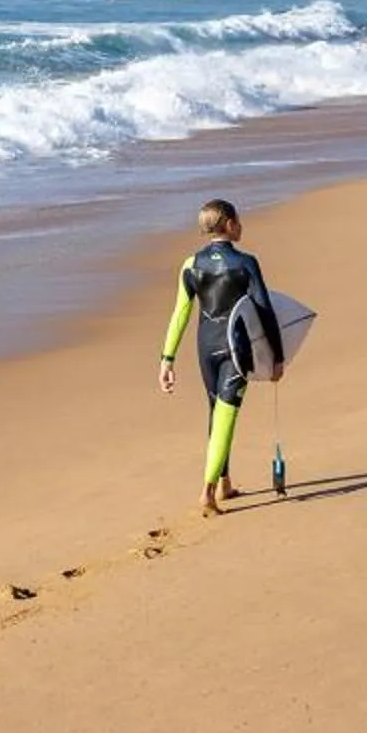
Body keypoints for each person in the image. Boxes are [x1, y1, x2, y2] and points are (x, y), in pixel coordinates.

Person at [157, 197, 285, 514]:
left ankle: (225, 483)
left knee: (216, 410)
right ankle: (207, 491)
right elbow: (265, 310)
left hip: (205, 347)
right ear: (229, 224)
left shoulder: (190, 265)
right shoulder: (245, 263)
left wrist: (167, 359)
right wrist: (277, 356)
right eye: (239, 221)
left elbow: (180, 314)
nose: (242, 226)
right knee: (226, 415)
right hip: (235, 349)